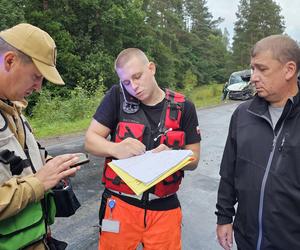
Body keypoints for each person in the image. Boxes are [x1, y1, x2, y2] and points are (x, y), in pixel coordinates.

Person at [85, 48, 201, 249]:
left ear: (151, 68)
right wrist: (116, 149)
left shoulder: (185, 107)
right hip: (120, 206)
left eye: (137, 77)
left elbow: (195, 160)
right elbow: (90, 141)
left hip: (164, 209)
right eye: (127, 82)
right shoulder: (116, 97)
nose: (134, 87)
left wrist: (175, 157)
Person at [215, 34, 300, 250]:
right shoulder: (243, 114)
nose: (253, 77)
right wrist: (224, 217)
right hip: (247, 239)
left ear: (289, 70)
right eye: (252, 69)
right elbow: (228, 171)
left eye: (262, 69)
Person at [0, 23, 81, 250]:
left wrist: (52, 168)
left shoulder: (12, 108)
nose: (39, 88)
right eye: (36, 76)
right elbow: (34, 182)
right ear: (9, 61)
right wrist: (39, 182)